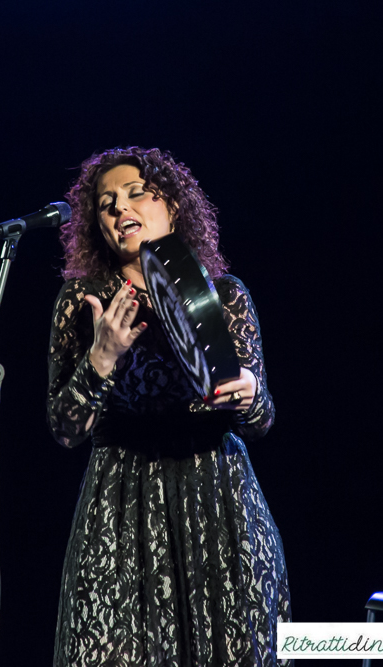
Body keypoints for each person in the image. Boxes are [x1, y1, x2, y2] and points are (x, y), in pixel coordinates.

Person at [48, 146, 290, 666]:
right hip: (121, 503)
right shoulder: (83, 300)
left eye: (136, 193)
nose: (118, 208)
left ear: (174, 207)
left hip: (219, 500)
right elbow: (65, 429)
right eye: (106, 203)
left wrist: (251, 395)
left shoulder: (224, 296)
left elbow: (261, 419)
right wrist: (102, 356)